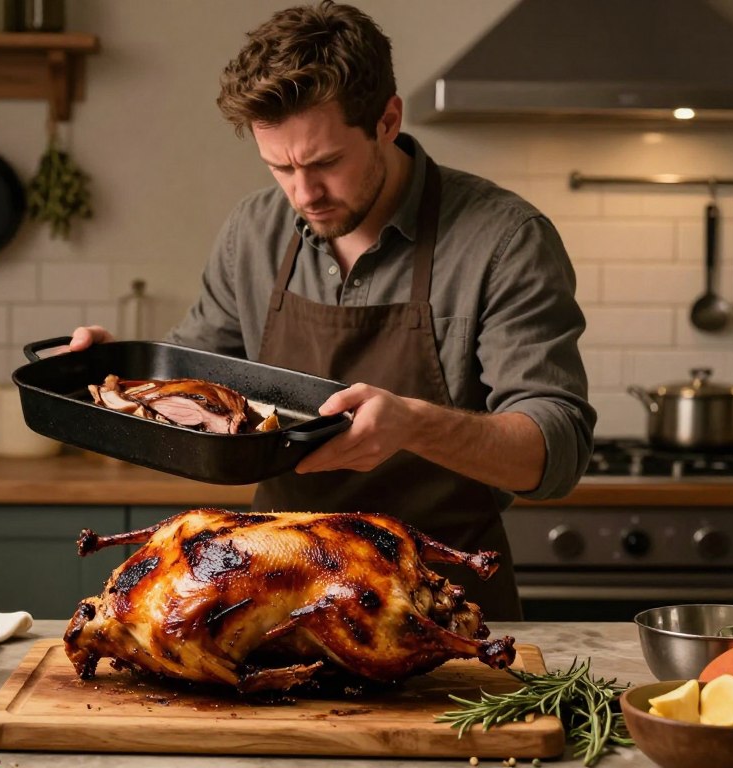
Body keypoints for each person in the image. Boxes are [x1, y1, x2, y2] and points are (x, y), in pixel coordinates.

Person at [70, 0, 595, 620]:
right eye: (280, 167)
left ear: (387, 120)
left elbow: (557, 450)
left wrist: (415, 425)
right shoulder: (254, 231)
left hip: (440, 606)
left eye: (324, 163)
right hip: (272, 598)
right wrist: (116, 382)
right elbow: (201, 386)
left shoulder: (504, 239)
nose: (303, 193)